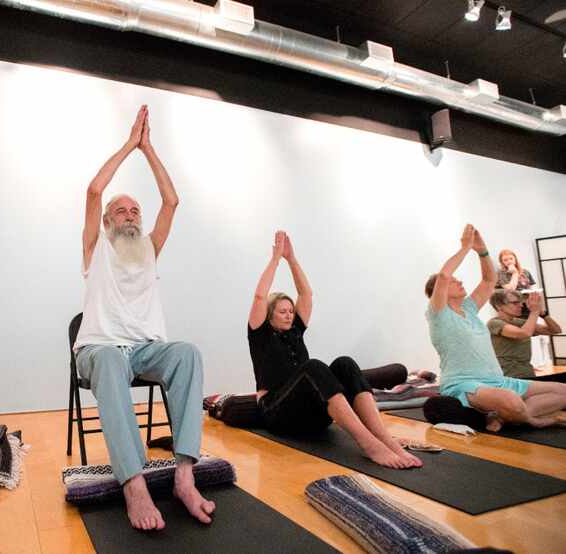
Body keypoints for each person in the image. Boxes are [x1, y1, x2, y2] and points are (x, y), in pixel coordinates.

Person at [73, 106, 213, 531]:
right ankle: (134, 484)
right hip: (98, 350)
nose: (130, 215)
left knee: (187, 353)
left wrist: (150, 150)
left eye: (135, 210)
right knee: (113, 360)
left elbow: (172, 200)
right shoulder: (95, 248)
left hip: (146, 350)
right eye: (122, 211)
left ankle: (184, 476)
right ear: (106, 222)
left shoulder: (150, 247)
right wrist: (130, 145)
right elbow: (94, 190)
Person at [248, 231, 421, 469]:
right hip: (277, 414)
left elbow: (305, 294)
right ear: (269, 315)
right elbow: (259, 296)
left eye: (291, 310)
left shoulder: (295, 331)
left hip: (311, 417)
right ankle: (368, 442)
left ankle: (383, 437)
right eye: (282, 311)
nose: (289, 315)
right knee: (313, 367)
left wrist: (292, 259)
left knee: (345, 363)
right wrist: (276, 259)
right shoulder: (260, 335)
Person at [425, 224, 566, 432]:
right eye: (455, 281)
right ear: (440, 291)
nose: (459, 280)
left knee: (563, 391)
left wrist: (482, 251)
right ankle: (533, 420)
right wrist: (465, 247)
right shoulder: (438, 314)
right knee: (511, 400)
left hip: (499, 381)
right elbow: (444, 276)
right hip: (466, 384)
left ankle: (502, 417)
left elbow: (490, 280)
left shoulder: (469, 309)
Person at [488, 290, 561, 378]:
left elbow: (555, 330)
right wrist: (534, 312)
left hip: (526, 371)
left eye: (520, 302)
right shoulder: (494, 323)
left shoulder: (519, 322)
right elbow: (524, 333)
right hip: (508, 374)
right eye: (515, 303)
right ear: (499, 306)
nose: (521, 305)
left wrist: (543, 314)